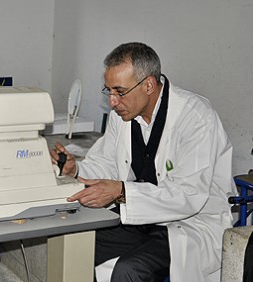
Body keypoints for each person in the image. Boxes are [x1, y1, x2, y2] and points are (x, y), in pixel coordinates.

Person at [51, 42, 235, 282]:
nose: (112, 102)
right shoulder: (124, 114)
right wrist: (76, 170)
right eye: (109, 91)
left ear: (148, 85)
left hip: (189, 223)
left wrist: (121, 192)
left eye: (120, 91)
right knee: (76, 242)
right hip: (140, 218)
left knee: (129, 270)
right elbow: (107, 163)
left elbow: (187, 196)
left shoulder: (196, 117)